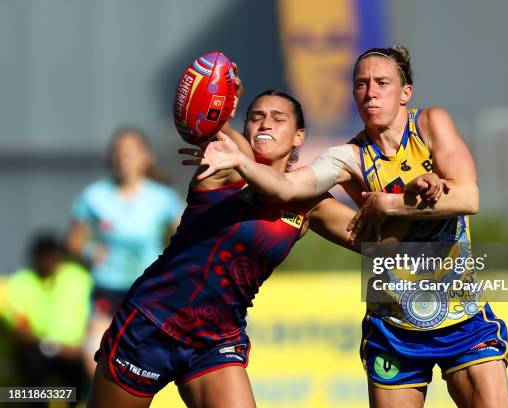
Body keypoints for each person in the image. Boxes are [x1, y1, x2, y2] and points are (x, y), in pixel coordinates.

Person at [197, 45, 508, 407]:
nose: (371, 92)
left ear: (405, 92)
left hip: (462, 318)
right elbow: (286, 186)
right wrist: (229, 139)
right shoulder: (347, 157)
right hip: (393, 327)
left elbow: (468, 199)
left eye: (382, 83)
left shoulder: (429, 124)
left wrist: (390, 202)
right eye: (361, 84)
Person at [87, 86, 409, 408]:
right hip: (153, 324)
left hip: (216, 341)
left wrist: (416, 204)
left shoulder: (307, 204)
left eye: (277, 118)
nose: (265, 124)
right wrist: (222, 96)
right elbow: (208, 123)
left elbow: (384, 245)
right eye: (256, 117)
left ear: (299, 136)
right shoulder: (228, 166)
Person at [67, 128, 183, 377]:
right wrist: (89, 251)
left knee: (144, 364)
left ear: (146, 157)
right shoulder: (93, 196)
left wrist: (172, 263)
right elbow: (73, 241)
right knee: (95, 358)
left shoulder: (163, 198)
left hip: (147, 290)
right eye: (118, 154)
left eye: (130, 153)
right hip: (107, 288)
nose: (123, 159)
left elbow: (186, 235)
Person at [2, 233, 92, 406]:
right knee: (31, 361)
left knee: (86, 364)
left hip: (76, 353)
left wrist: (82, 346)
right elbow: (19, 330)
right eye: (44, 257)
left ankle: (76, 400)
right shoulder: (22, 281)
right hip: (38, 350)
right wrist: (52, 347)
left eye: (52, 256)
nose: (48, 261)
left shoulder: (78, 278)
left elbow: (94, 318)